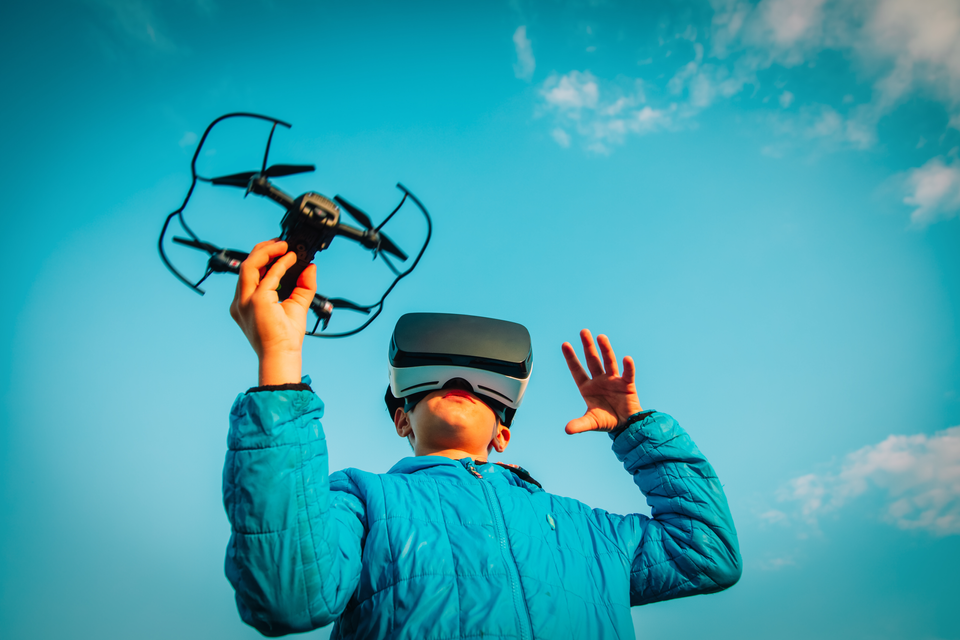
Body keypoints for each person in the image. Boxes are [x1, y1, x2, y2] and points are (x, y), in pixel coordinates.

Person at [224, 239, 742, 639]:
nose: (459, 382)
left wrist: (636, 429)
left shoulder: (590, 532)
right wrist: (279, 362)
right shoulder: (362, 502)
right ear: (402, 422)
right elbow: (286, 594)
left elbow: (707, 552)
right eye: (437, 379)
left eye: (484, 389)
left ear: (504, 434)